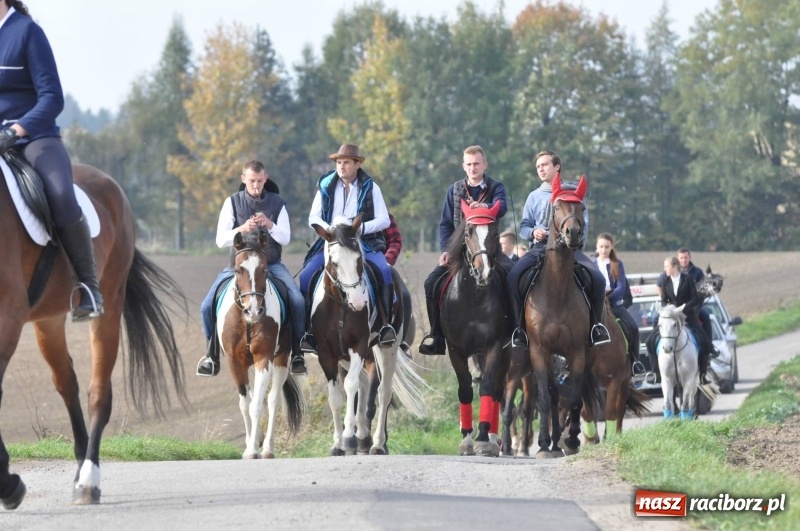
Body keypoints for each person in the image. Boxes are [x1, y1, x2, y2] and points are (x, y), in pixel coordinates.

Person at [0, 0, 103, 321]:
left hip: (34, 138)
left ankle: (88, 286)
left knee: (60, 193)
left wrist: (18, 128)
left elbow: (52, 97)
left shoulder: (27, 32)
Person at [195, 161, 307, 377]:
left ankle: (298, 353)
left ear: (266, 178)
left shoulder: (278, 203)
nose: (255, 185)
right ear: (243, 179)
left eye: (259, 181)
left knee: (298, 300)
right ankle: (212, 355)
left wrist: (269, 224)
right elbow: (220, 240)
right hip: (239, 267)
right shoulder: (232, 203)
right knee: (206, 305)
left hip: (271, 264)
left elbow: (286, 237)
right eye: (251, 181)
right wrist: (241, 228)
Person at [506, 150, 610, 348]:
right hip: (539, 249)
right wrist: (533, 233)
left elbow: (583, 224)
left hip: (571, 250)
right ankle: (518, 329)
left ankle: (596, 327)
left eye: (545, 165)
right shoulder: (534, 196)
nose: (541, 169)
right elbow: (524, 226)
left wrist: (575, 244)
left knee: (598, 279)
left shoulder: (574, 193)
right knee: (513, 277)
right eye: (538, 167)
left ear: (557, 167)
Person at [298, 144, 395, 352]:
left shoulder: (371, 187)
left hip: (362, 241)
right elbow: (313, 217)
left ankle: (386, 325)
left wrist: (358, 229)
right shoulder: (325, 185)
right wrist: (329, 230)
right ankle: (308, 332)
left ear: (357, 164)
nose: (341, 167)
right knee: (306, 275)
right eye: (339, 162)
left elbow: (384, 220)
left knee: (385, 270)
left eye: (346, 163)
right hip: (331, 242)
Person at [418, 145, 512, 355]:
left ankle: (515, 332)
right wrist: (445, 250)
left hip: (489, 249)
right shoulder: (454, 190)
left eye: (477, 163)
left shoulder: (496, 187)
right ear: (463, 166)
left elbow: (502, 206)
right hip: (460, 250)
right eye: (469, 164)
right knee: (431, 283)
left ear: (484, 165)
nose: (473, 167)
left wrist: (484, 207)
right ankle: (437, 335)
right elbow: (445, 224)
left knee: (514, 277)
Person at [657, 255, 713, 384]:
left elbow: (694, 298)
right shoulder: (665, 281)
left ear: (674, 267)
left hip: (687, 316)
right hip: (670, 317)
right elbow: (664, 300)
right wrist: (669, 309)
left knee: (705, 342)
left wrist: (682, 309)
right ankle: (657, 374)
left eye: (667, 266)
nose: (665, 269)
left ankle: (703, 373)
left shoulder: (688, 279)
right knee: (650, 341)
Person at [593, 233, 639, 361]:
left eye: (606, 247)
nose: (603, 250)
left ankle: (635, 362)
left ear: (611, 247)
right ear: (596, 247)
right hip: (597, 307)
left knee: (633, 328)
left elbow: (621, 287)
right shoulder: (591, 265)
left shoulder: (618, 264)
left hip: (615, 306)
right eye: (601, 246)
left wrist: (607, 296)